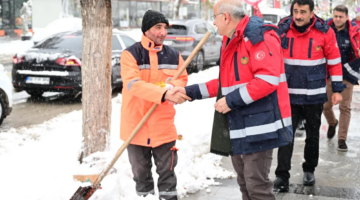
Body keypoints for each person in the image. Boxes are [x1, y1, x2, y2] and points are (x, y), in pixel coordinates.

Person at [172, 0, 293, 199]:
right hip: (240, 125)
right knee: (245, 184)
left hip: (260, 127)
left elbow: (267, 80)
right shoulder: (233, 40)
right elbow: (225, 84)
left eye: (215, 17)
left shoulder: (257, 37)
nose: (214, 23)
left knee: (257, 187)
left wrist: (230, 101)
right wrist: (188, 91)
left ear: (226, 17)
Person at [120, 10, 190, 200]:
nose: (163, 33)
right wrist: (164, 92)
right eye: (158, 27)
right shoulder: (130, 55)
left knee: (168, 177)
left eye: (165, 28)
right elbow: (133, 85)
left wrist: (174, 87)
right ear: (146, 29)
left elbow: (182, 79)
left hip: (163, 127)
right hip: (136, 127)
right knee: (141, 178)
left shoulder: (174, 55)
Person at [274, 0, 343, 192]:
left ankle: (309, 169)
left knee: (312, 136)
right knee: (285, 137)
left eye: (303, 12)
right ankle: (282, 175)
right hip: (287, 95)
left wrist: (337, 89)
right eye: (295, 11)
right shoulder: (282, 30)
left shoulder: (324, 32)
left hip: (313, 95)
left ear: (312, 13)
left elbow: (335, 61)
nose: (298, 16)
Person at [324, 5, 360, 151]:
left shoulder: (353, 31)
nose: (338, 19)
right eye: (336, 16)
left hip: (346, 73)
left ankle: (341, 139)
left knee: (345, 107)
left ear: (346, 17)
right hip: (329, 73)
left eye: (341, 17)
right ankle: (332, 122)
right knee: (325, 105)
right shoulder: (326, 28)